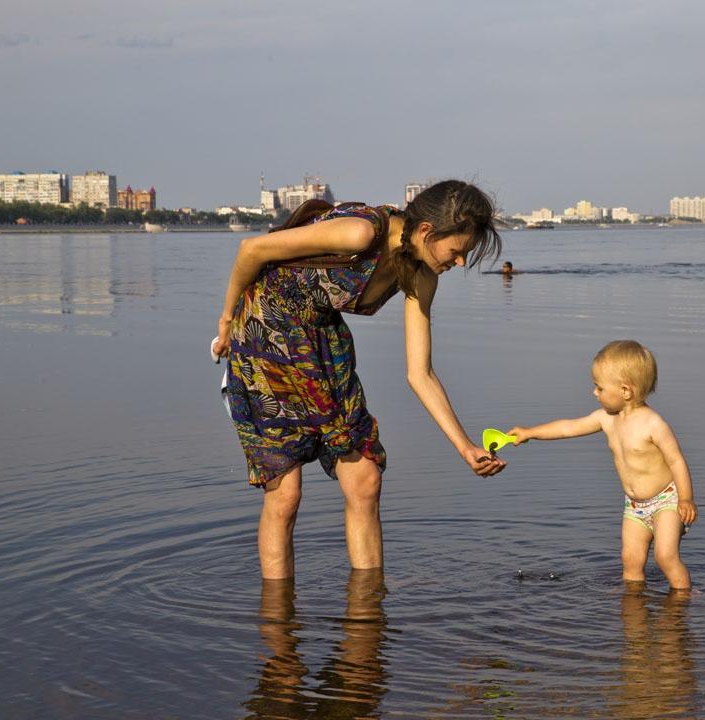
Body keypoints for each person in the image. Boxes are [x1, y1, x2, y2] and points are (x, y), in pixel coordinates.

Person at [212, 180, 506, 580]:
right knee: (286, 494)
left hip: (322, 342)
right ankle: (278, 623)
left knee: (366, 478)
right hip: (266, 337)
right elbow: (252, 250)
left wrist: (466, 446)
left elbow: (419, 372)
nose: (458, 264)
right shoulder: (361, 232)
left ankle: (367, 614)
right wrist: (227, 321)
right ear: (425, 232)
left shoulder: (422, 276)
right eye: (456, 252)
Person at [507, 340, 697, 588]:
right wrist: (529, 432)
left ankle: (683, 602)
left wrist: (686, 498)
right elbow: (568, 427)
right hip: (635, 507)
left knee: (665, 557)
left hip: (666, 502)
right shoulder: (606, 419)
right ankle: (633, 608)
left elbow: (677, 461)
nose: (594, 393)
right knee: (630, 560)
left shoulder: (653, 424)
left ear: (625, 391)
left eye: (599, 388)